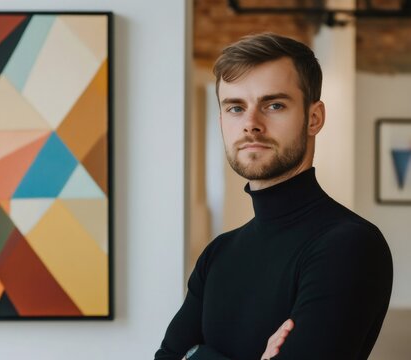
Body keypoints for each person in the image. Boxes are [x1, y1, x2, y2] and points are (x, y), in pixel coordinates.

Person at [154, 33, 393, 360]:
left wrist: (197, 354)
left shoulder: (348, 245)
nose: (251, 124)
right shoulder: (218, 254)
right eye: (236, 107)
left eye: (274, 105)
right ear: (223, 120)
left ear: (314, 118)